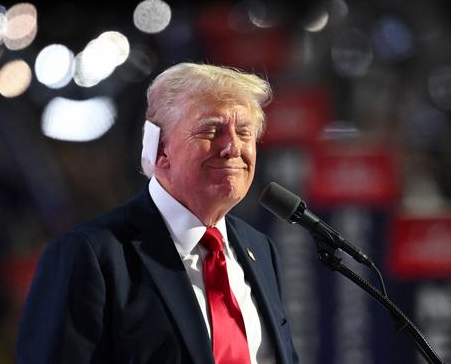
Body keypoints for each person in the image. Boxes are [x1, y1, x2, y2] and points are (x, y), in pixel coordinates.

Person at [16, 63, 298, 364]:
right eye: (211, 130)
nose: (232, 147)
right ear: (161, 148)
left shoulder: (259, 249)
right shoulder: (90, 255)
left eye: (245, 133)